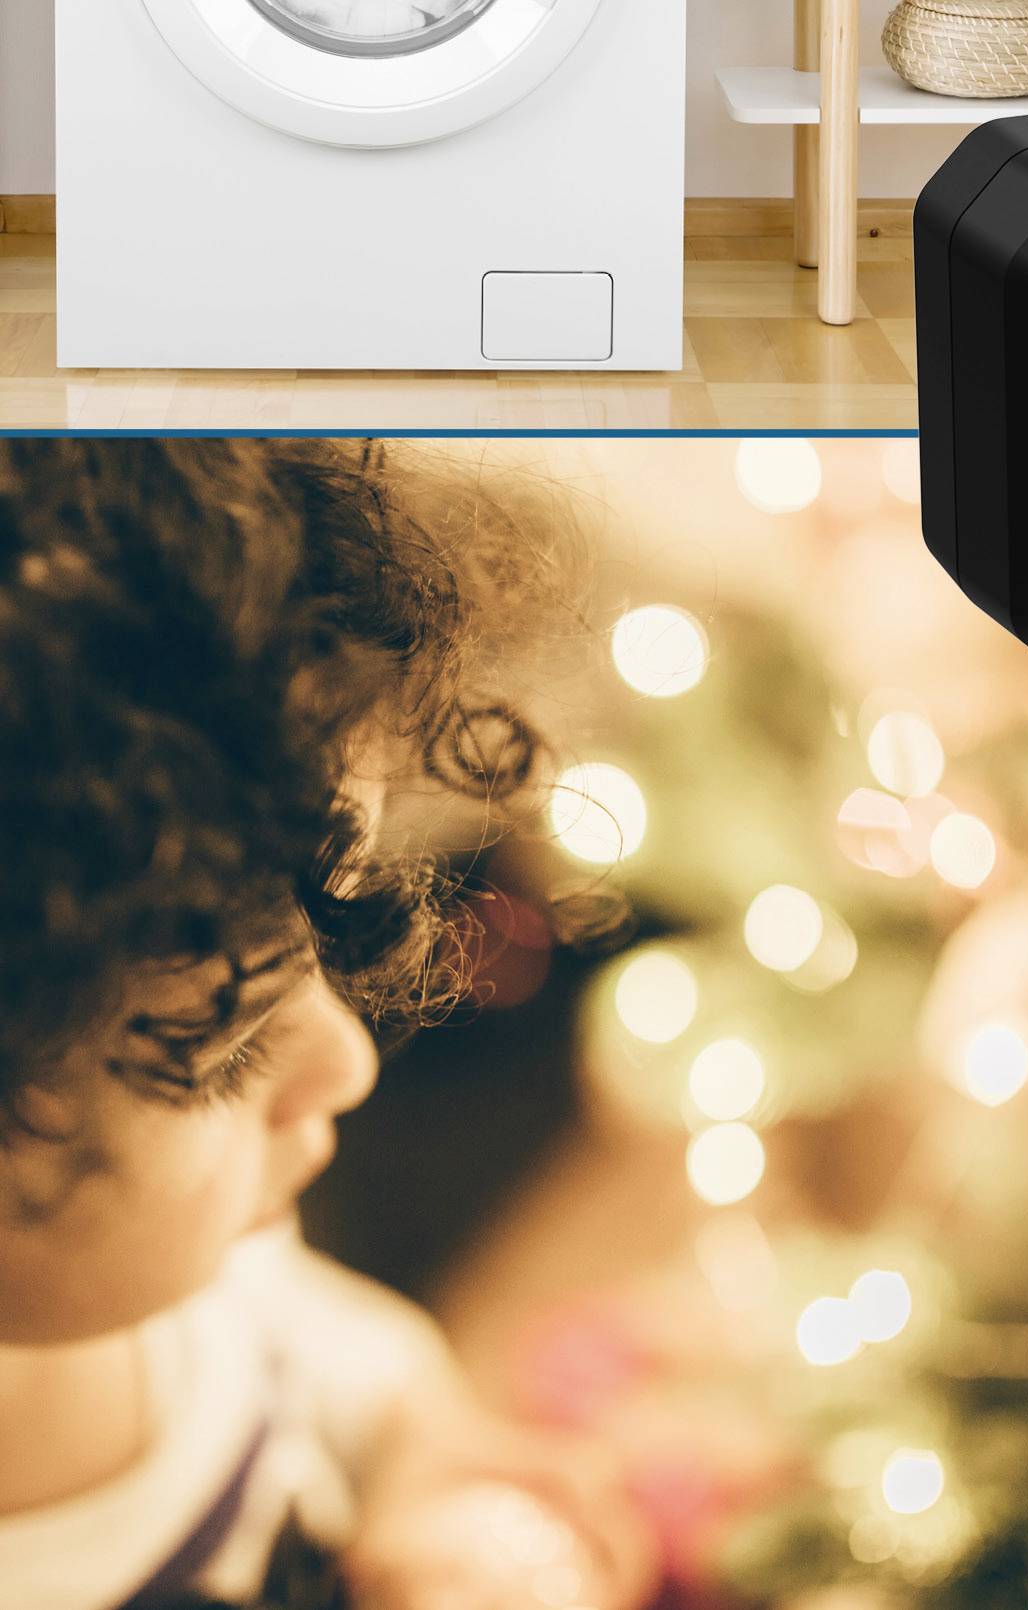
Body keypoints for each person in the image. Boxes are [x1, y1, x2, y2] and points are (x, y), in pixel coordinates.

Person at [0, 441, 652, 1610]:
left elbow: (336, 1360)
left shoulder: (204, 1272)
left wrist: (425, 1455)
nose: (346, 1063)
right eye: (223, 1046)